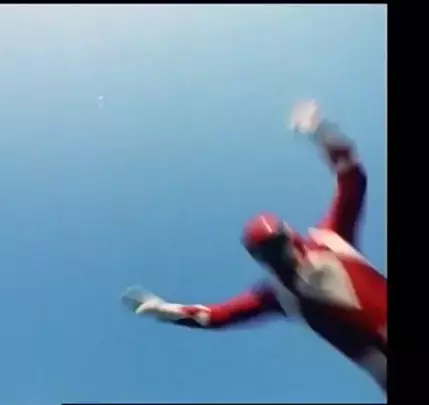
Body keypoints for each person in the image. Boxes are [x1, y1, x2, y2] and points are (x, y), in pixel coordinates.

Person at [122, 100, 387, 394]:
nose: (286, 260)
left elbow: (352, 179)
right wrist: (164, 310)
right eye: (272, 254)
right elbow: (215, 316)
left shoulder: (328, 240)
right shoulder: (279, 294)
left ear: (290, 237)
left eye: (279, 248)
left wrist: (322, 131)